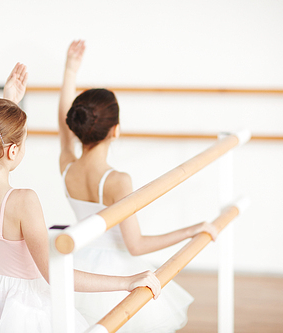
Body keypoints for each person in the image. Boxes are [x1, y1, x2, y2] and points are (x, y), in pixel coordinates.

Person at [0, 63, 161, 333]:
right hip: (23, 308)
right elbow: (56, 275)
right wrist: (126, 282)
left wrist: (9, 102)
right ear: (13, 151)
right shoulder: (23, 201)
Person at [58, 40, 219, 332]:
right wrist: (191, 230)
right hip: (115, 271)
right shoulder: (117, 180)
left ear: (76, 125)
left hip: (79, 263)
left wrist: (70, 71)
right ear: (116, 130)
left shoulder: (67, 165)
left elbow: (62, 126)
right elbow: (136, 246)